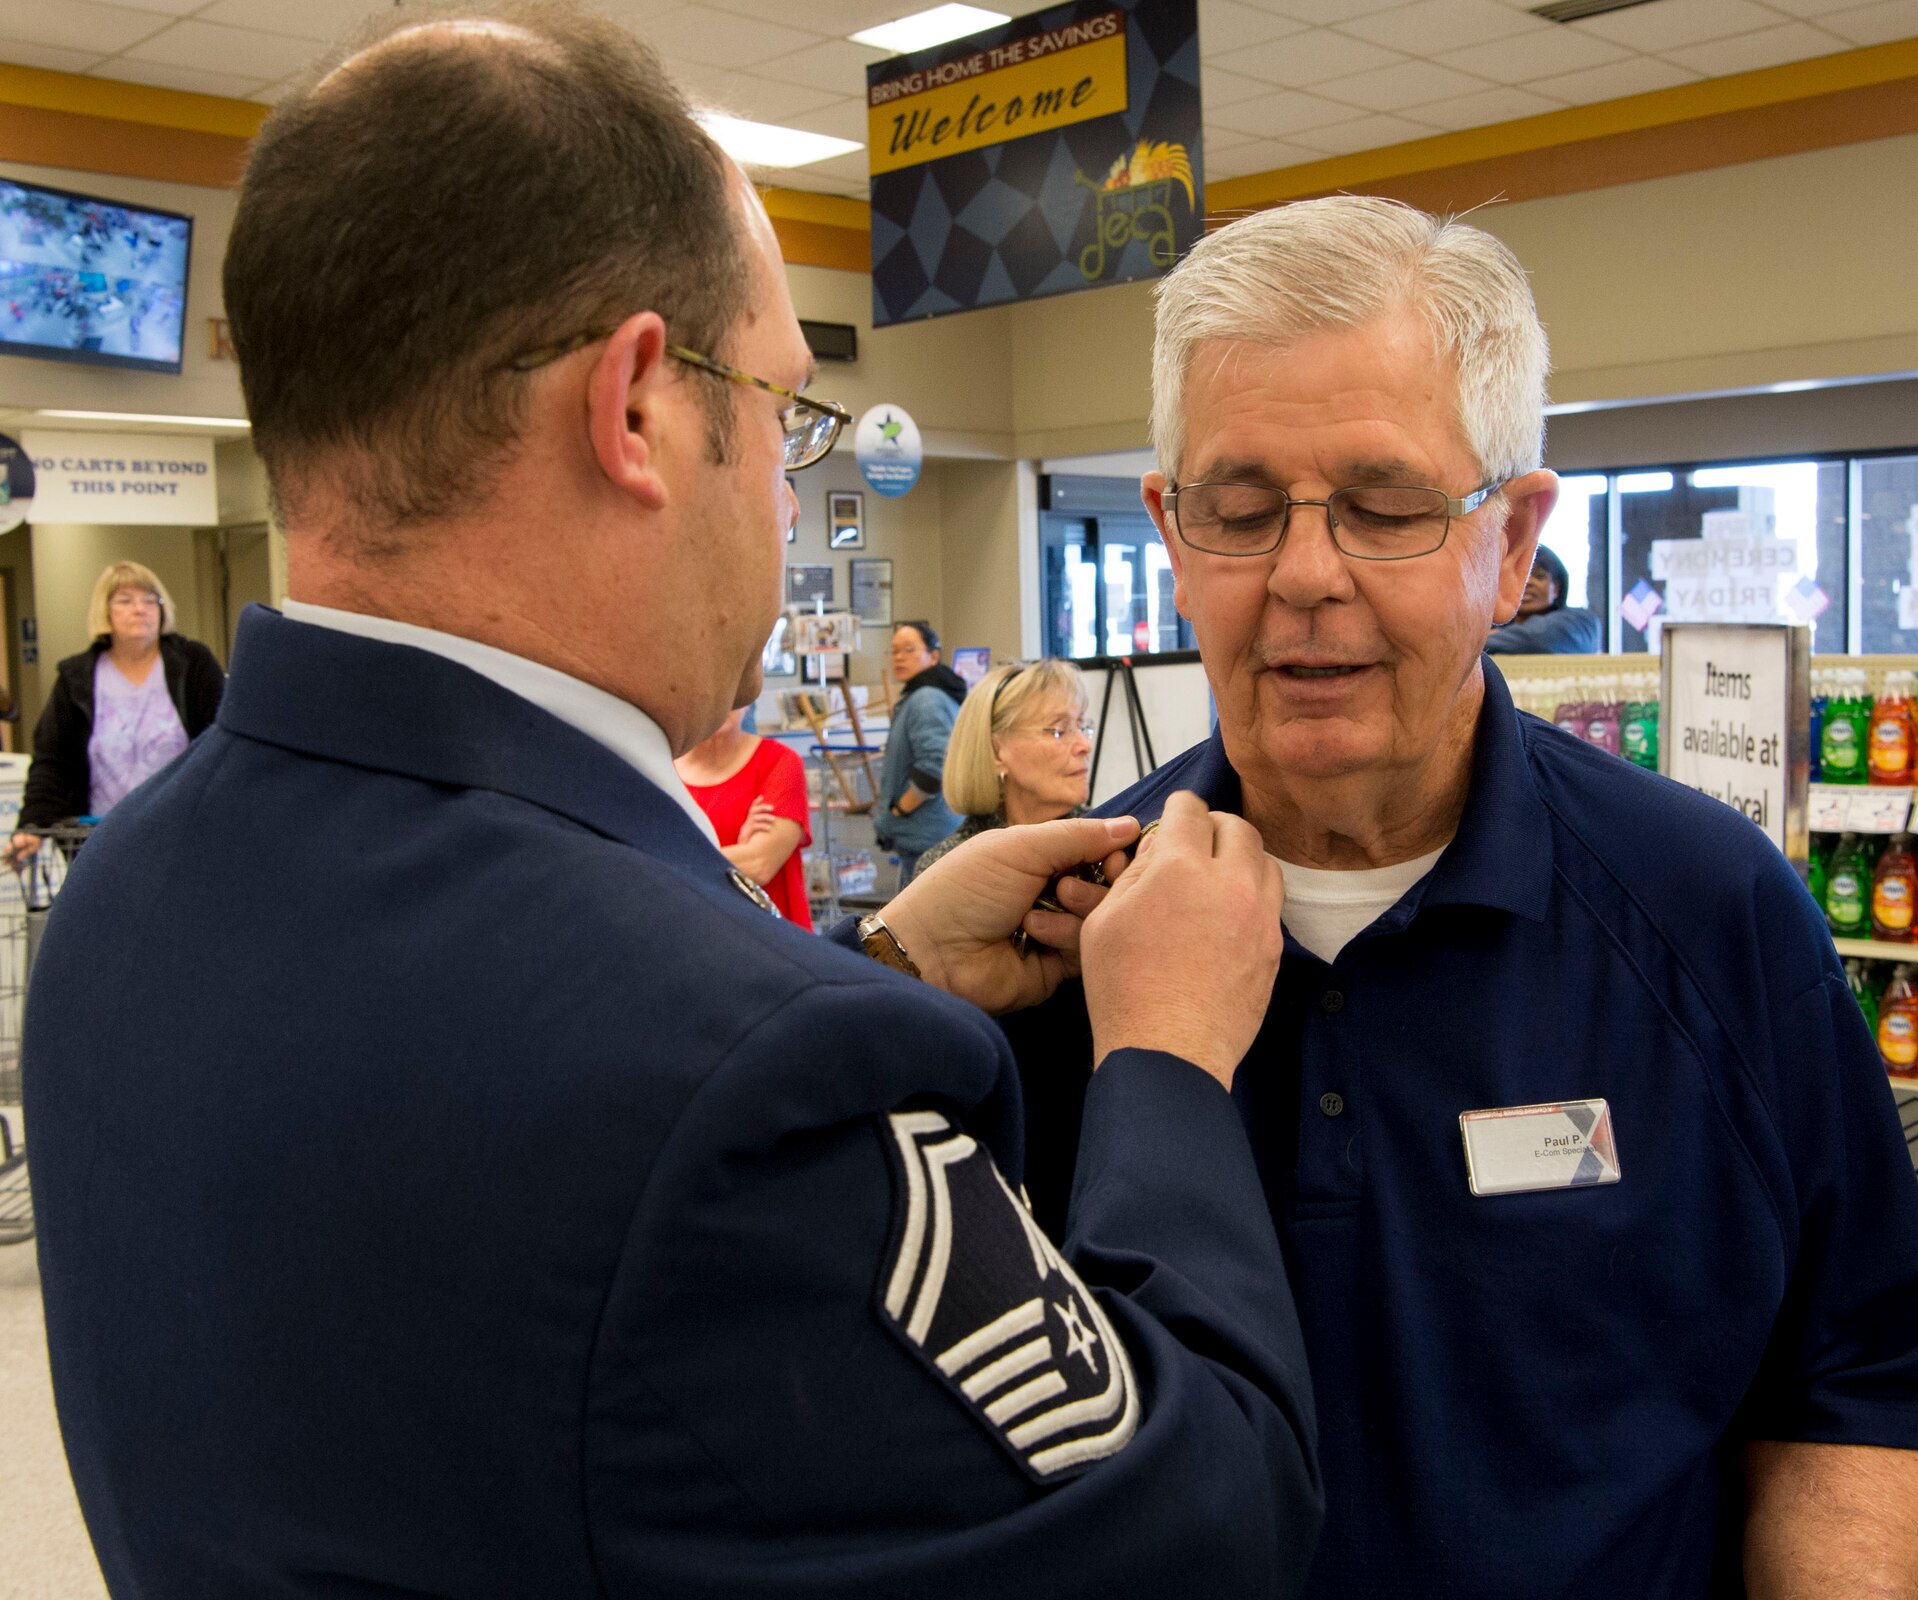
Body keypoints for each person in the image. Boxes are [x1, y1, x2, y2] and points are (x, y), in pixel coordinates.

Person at [24, 11, 1322, 1598]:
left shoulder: (122, 903)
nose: (787, 497)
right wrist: (1171, 1063)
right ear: (638, 407)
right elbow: (1212, 1527)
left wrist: (884, 964)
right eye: (783, 413)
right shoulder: (735, 1075)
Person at [1010, 195, 1918, 1599]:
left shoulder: (1713, 916)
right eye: (1240, 508)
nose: (1304, 576)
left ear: (1514, 544)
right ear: (1169, 530)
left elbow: (1851, 1387)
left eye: (1387, 509)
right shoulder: (1055, 939)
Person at [5, 560, 223, 866]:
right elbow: (53, 760)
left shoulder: (192, 664)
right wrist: (32, 825)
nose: (140, 609)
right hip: (100, 838)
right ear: (105, 611)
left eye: (151, 600)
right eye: (125, 601)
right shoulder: (77, 677)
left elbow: (221, 740)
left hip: (180, 833)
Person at [914, 657, 1095, 876]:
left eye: (1081, 726)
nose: (1085, 746)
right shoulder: (945, 870)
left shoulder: (1111, 846)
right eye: (1059, 730)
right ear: (996, 751)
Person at [674, 704, 814, 931]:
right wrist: (738, 851)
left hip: (777, 941)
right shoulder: (663, 772)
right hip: (699, 935)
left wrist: (676, 860)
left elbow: (760, 864)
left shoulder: (780, 762)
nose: (723, 700)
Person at [875, 619, 963, 883]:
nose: (899, 657)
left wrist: (900, 811)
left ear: (933, 655)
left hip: (927, 835)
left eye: (909, 649)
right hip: (925, 834)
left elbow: (935, 766)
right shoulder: (923, 695)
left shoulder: (927, 699)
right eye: (894, 651)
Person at [1485, 544, 1602, 653]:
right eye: (1519, 576)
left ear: (1556, 588)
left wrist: (1479, 641)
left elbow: (1542, 637)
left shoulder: (1581, 622)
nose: (1528, 582)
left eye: (1539, 576)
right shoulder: (1489, 625)